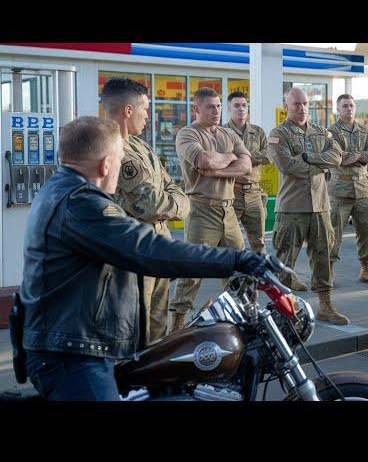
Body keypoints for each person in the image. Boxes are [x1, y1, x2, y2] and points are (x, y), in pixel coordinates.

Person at [20, 116, 271, 401]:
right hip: (73, 355)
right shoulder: (82, 204)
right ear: (106, 165)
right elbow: (149, 249)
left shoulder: (62, 189)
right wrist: (237, 260)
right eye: (117, 158)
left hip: (73, 340)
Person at [101, 77, 190, 345]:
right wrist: (176, 205)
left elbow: (174, 188)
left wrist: (175, 203)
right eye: (145, 108)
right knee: (136, 331)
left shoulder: (142, 147)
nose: (148, 116)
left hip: (156, 249)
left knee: (157, 330)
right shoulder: (112, 149)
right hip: (135, 254)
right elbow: (151, 205)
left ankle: (155, 383)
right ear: (128, 110)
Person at [168, 88, 252, 332]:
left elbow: (246, 166)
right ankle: (177, 323)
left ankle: (242, 316)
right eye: (209, 107)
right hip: (202, 210)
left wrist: (218, 167)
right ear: (197, 109)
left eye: (217, 106)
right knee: (191, 271)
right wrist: (228, 159)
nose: (216, 111)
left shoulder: (229, 134)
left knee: (238, 268)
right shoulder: (187, 134)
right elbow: (204, 161)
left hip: (229, 211)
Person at [268, 87, 347, 325]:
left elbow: (337, 158)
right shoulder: (278, 134)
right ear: (286, 107)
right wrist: (321, 166)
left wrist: (310, 158)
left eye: (304, 104)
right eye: (296, 104)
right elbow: (287, 166)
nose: (302, 108)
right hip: (292, 208)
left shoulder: (322, 133)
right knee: (285, 261)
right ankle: (283, 310)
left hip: (320, 207)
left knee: (323, 257)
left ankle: (325, 305)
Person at [328, 94, 368, 285]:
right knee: (333, 232)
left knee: (366, 229)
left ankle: (366, 269)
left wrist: (356, 156)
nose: (348, 109)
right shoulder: (331, 132)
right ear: (338, 109)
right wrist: (360, 157)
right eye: (344, 106)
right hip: (339, 189)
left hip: (362, 188)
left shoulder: (364, 130)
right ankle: (329, 271)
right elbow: (338, 157)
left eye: (351, 105)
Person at [224, 91, 271, 253]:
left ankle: (259, 278)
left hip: (254, 194)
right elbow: (220, 159)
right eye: (236, 105)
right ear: (229, 108)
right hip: (231, 193)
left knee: (259, 243)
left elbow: (269, 155)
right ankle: (232, 279)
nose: (241, 109)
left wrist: (242, 157)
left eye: (244, 105)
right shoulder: (221, 132)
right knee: (230, 244)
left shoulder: (257, 132)